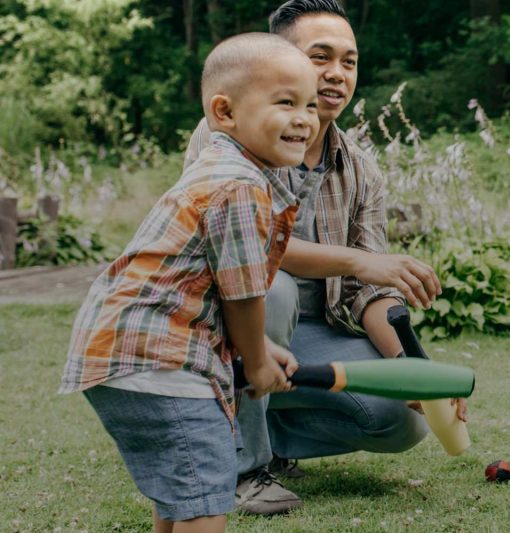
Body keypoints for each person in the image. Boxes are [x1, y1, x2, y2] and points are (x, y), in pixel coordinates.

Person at [184, 0, 466, 516]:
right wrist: (357, 261)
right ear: (277, 60)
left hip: (315, 331)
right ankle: (242, 470)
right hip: (225, 325)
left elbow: (370, 291)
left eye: (349, 61)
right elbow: (247, 246)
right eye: (320, 56)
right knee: (275, 288)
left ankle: (262, 434)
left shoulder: (360, 167)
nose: (337, 74)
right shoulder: (228, 131)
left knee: (401, 420)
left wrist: (417, 372)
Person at [59, 33, 320, 532]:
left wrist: (258, 345)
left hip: (127, 352)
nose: (304, 118)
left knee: (183, 493)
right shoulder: (240, 187)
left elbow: (206, 286)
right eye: (285, 102)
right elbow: (242, 293)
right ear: (224, 112)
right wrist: (259, 362)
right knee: (205, 499)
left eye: (308, 104)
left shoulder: (220, 170)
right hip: (158, 360)